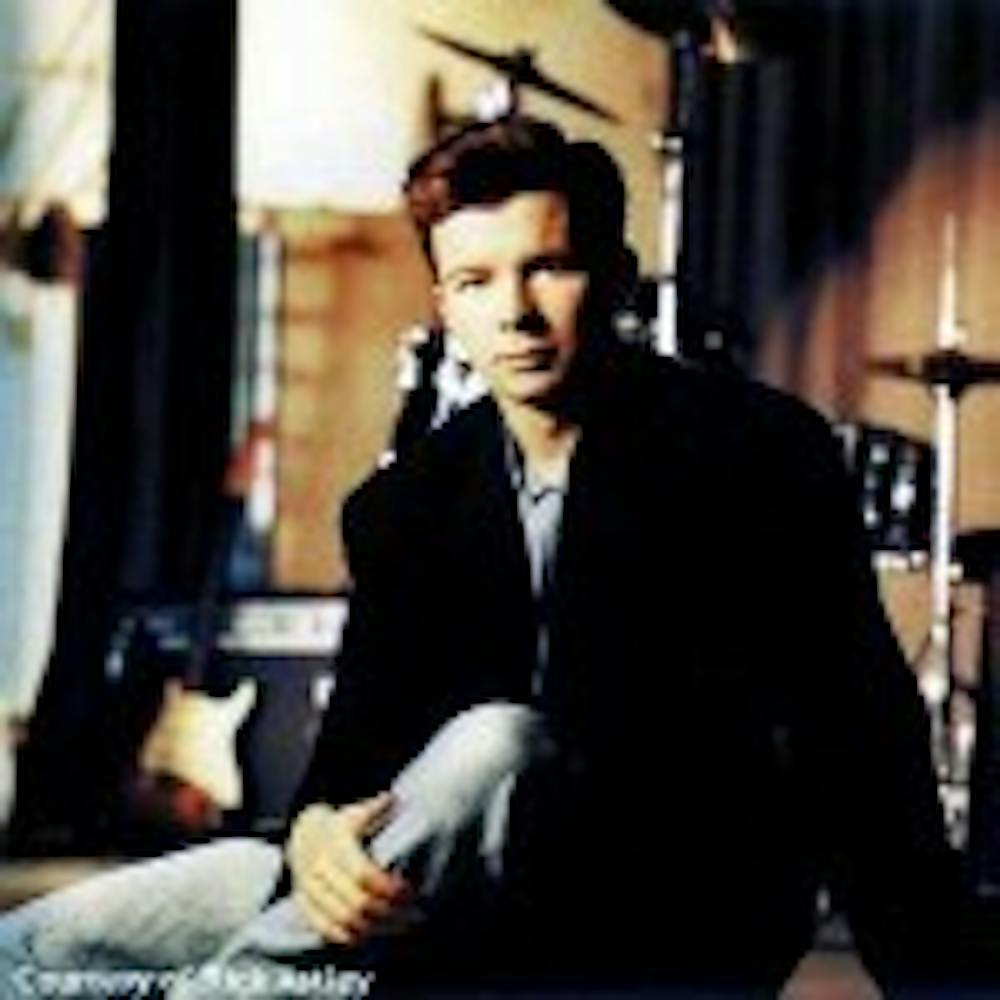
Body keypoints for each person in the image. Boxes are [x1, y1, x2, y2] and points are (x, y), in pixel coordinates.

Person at [0, 114, 980, 997]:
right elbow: (356, 749)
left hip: (665, 914)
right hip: (449, 904)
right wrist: (316, 833)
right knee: (35, 949)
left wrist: (937, 978)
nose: (513, 311)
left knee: (497, 745)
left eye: (547, 267)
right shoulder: (405, 505)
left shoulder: (755, 455)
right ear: (444, 303)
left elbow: (863, 737)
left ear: (616, 276)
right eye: (475, 281)